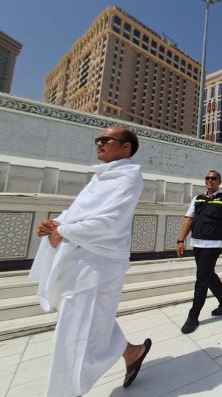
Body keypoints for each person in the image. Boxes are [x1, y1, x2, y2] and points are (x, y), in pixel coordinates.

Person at [31, 126, 150, 396]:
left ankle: (67, 391)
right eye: (98, 139)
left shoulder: (129, 178)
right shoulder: (102, 177)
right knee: (90, 320)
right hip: (79, 256)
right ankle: (133, 353)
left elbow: (111, 221)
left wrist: (63, 232)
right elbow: (78, 213)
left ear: (125, 147)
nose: (99, 143)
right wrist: (55, 224)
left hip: (99, 263)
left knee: (76, 333)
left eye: (106, 139)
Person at [176, 170, 222, 334]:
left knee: (202, 279)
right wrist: (181, 240)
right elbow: (188, 220)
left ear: (219, 182)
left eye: (214, 178)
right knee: (208, 275)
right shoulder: (197, 199)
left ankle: (193, 316)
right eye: (208, 178)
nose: (210, 180)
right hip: (197, 243)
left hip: (213, 244)